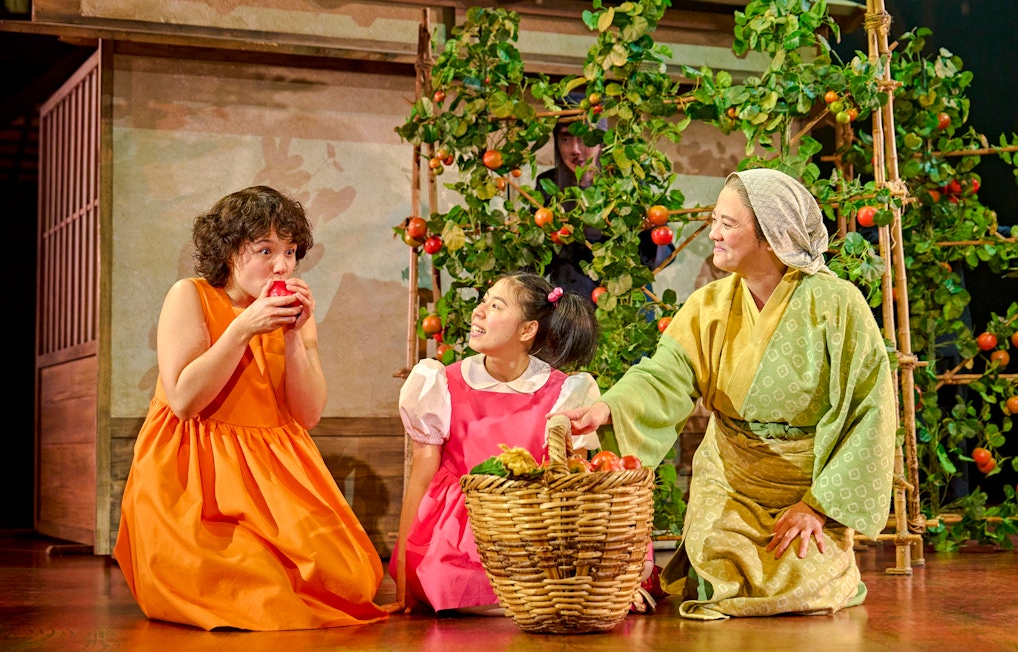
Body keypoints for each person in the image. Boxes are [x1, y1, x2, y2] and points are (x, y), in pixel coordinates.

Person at [554, 168, 897, 620]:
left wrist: (819, 506)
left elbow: (870, 410)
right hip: (730, 479)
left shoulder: (838, 304)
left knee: (805, 584)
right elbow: (665, 375)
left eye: (727, 224)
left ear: (772, 237)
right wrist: (607, 408)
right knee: (718, 568)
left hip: (807, 488)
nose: (712, 233)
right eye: (715, 220)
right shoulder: (708, 305)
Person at [112, 186, 389, 631]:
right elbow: (184, 400)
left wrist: (295, 334)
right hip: (195, 471)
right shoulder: (190, 294)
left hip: (272, 465)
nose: (282, 265)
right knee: (251, 581)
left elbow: (309, 413)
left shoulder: (292, 310)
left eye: (291, 252)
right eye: (265, 250)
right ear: (228, 251)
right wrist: (244, 328)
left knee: (351, 576)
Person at [384, 270, 610, 616]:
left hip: (530, 525)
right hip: (457, 528)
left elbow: (572, 486)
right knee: (443, 579)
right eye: (483, 301)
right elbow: (421, 476)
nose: (478, 311)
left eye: (495, 305)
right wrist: (403, 572)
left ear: (527, 330)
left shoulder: (564, 392)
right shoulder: (442, 383)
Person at [536, 114, 672, 300]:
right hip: (571, 302)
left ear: (601, 142)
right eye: (566, 139)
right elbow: (537, 256)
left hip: (624, 302)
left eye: (585, 138)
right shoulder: (548, 184)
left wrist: (649, 231)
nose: (575, 149)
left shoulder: (629, 184)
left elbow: (663, 255)